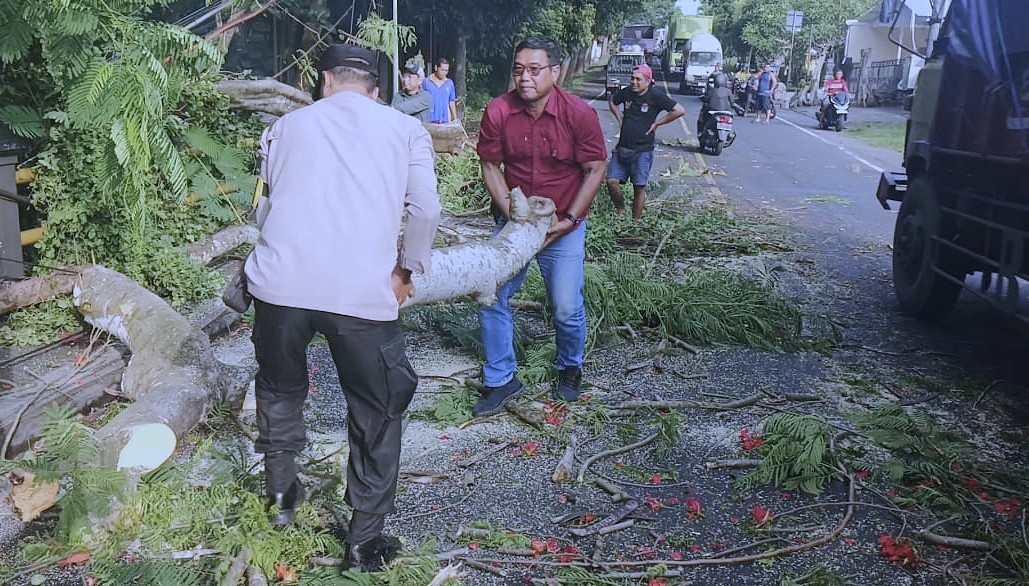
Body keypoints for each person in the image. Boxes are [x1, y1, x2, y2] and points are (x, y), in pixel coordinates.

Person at [244, 44, 441, 572]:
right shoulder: (405, 129)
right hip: (361, 295)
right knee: (378, 408)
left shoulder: (284, 127)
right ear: (375, 90)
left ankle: (281, 498)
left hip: (280, 289)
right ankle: (363, 541)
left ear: (325, 81)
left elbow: (263, 207)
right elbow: (425, 209)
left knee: (280, 388)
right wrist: (407, 270)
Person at [474, 37, 607, 415]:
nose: (525, 78)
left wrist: (569, 220)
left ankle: (570, 366)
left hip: (562, 223)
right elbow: (490, 165)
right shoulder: (499, 111)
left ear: (555, 72)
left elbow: (595, 168)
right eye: (519, 70)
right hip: (515, 224)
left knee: (565, 305)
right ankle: (501, 377)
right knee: (490, 293)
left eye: (534, 70)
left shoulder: (578, 114)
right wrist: (512, 214)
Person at [607, 63, 684, 219]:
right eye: (632, 78)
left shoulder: (656, 95)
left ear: (648, 81)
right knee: (612, 181)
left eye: (638, 79)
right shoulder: (627, 92)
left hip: (643, 150)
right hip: (623, 147)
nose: (634, 82)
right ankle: (621, 211)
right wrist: (619, 117)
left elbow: (679, 110)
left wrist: (658, 123)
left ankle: (635, 222)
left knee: (639, 187)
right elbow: (612, 101)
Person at [423, 58, 457, 123]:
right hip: (429, 119)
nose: (444, 73)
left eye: (446, 70)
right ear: (436, 68)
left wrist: (455, 119)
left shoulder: (449, 83)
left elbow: (451, 102)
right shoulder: (426, 82)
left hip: (444, 120)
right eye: (442, 70)